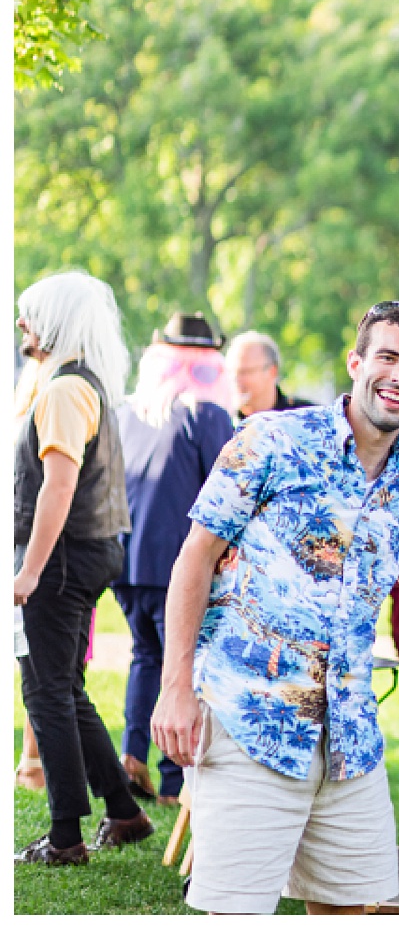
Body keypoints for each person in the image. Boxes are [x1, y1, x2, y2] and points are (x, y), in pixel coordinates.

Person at [150, 302, 399, 914]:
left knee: (350, 911)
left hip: (351, 737)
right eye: (387, 357)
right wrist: (175, 685)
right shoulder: (272, 439)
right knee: (236, 912)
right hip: (250, 718)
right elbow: (194, 558)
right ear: (355, 362)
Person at [13, 271, 150, 866]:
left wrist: (28, 572)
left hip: (62, 557)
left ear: (59, 322)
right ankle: (124, 813)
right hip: (87, 553)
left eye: (31, 313)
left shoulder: (66, 389)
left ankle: (64, 837)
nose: (22, 323)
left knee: (45, 691)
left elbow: (59, 485)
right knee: (65, 689)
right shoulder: (81, 384)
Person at [114, 312, 236, 805]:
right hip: (178, 564)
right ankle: (171, 780)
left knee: (145, 656)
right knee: (180, 667)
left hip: (127, 560)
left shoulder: (129, 411)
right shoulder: (206, 414)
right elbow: (232, 489)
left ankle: (132, 756)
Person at [225, 330, 313, 418]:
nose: (236, 379)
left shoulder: (305, 417)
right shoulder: (222, 423)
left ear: (272, 371)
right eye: (230, 372)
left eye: (245, 372)